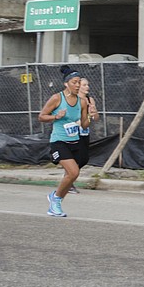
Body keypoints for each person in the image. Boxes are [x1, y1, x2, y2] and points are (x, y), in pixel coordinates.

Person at [38, 65, 90, 217]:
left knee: (72, 174)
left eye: (79, 82)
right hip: (59, 141)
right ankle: (56, 201)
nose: (78, 85)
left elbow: (84, 124)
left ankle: (56, 197)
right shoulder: (57, 98)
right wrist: (56, 117)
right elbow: (41, 116)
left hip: (75, 141)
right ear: (66, 83)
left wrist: (90, 116)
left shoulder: (82, 102)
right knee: (73, 172)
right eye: (75, 82)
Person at [66, 77, 99, 195]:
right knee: (76, 157)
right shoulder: (73, 100)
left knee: (84, 158)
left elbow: (95, 118)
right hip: (74, 132)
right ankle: (69, 182)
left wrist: (93, 113)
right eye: (84, 85)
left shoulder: (90, 100)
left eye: (87, 85)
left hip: (85, 132)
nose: (87, 87)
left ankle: (69, 177)